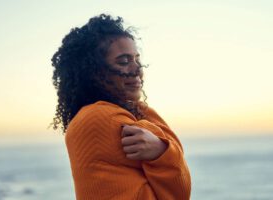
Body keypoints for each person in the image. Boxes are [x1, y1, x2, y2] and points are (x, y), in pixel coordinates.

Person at [51, 14, 191, 200]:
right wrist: (163, 150)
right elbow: (180, 192)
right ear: (93, 71)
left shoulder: (99, 114)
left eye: (137, 60)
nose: (137, 70)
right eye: (123, 62)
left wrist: (160, 146)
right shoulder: (102, 117)